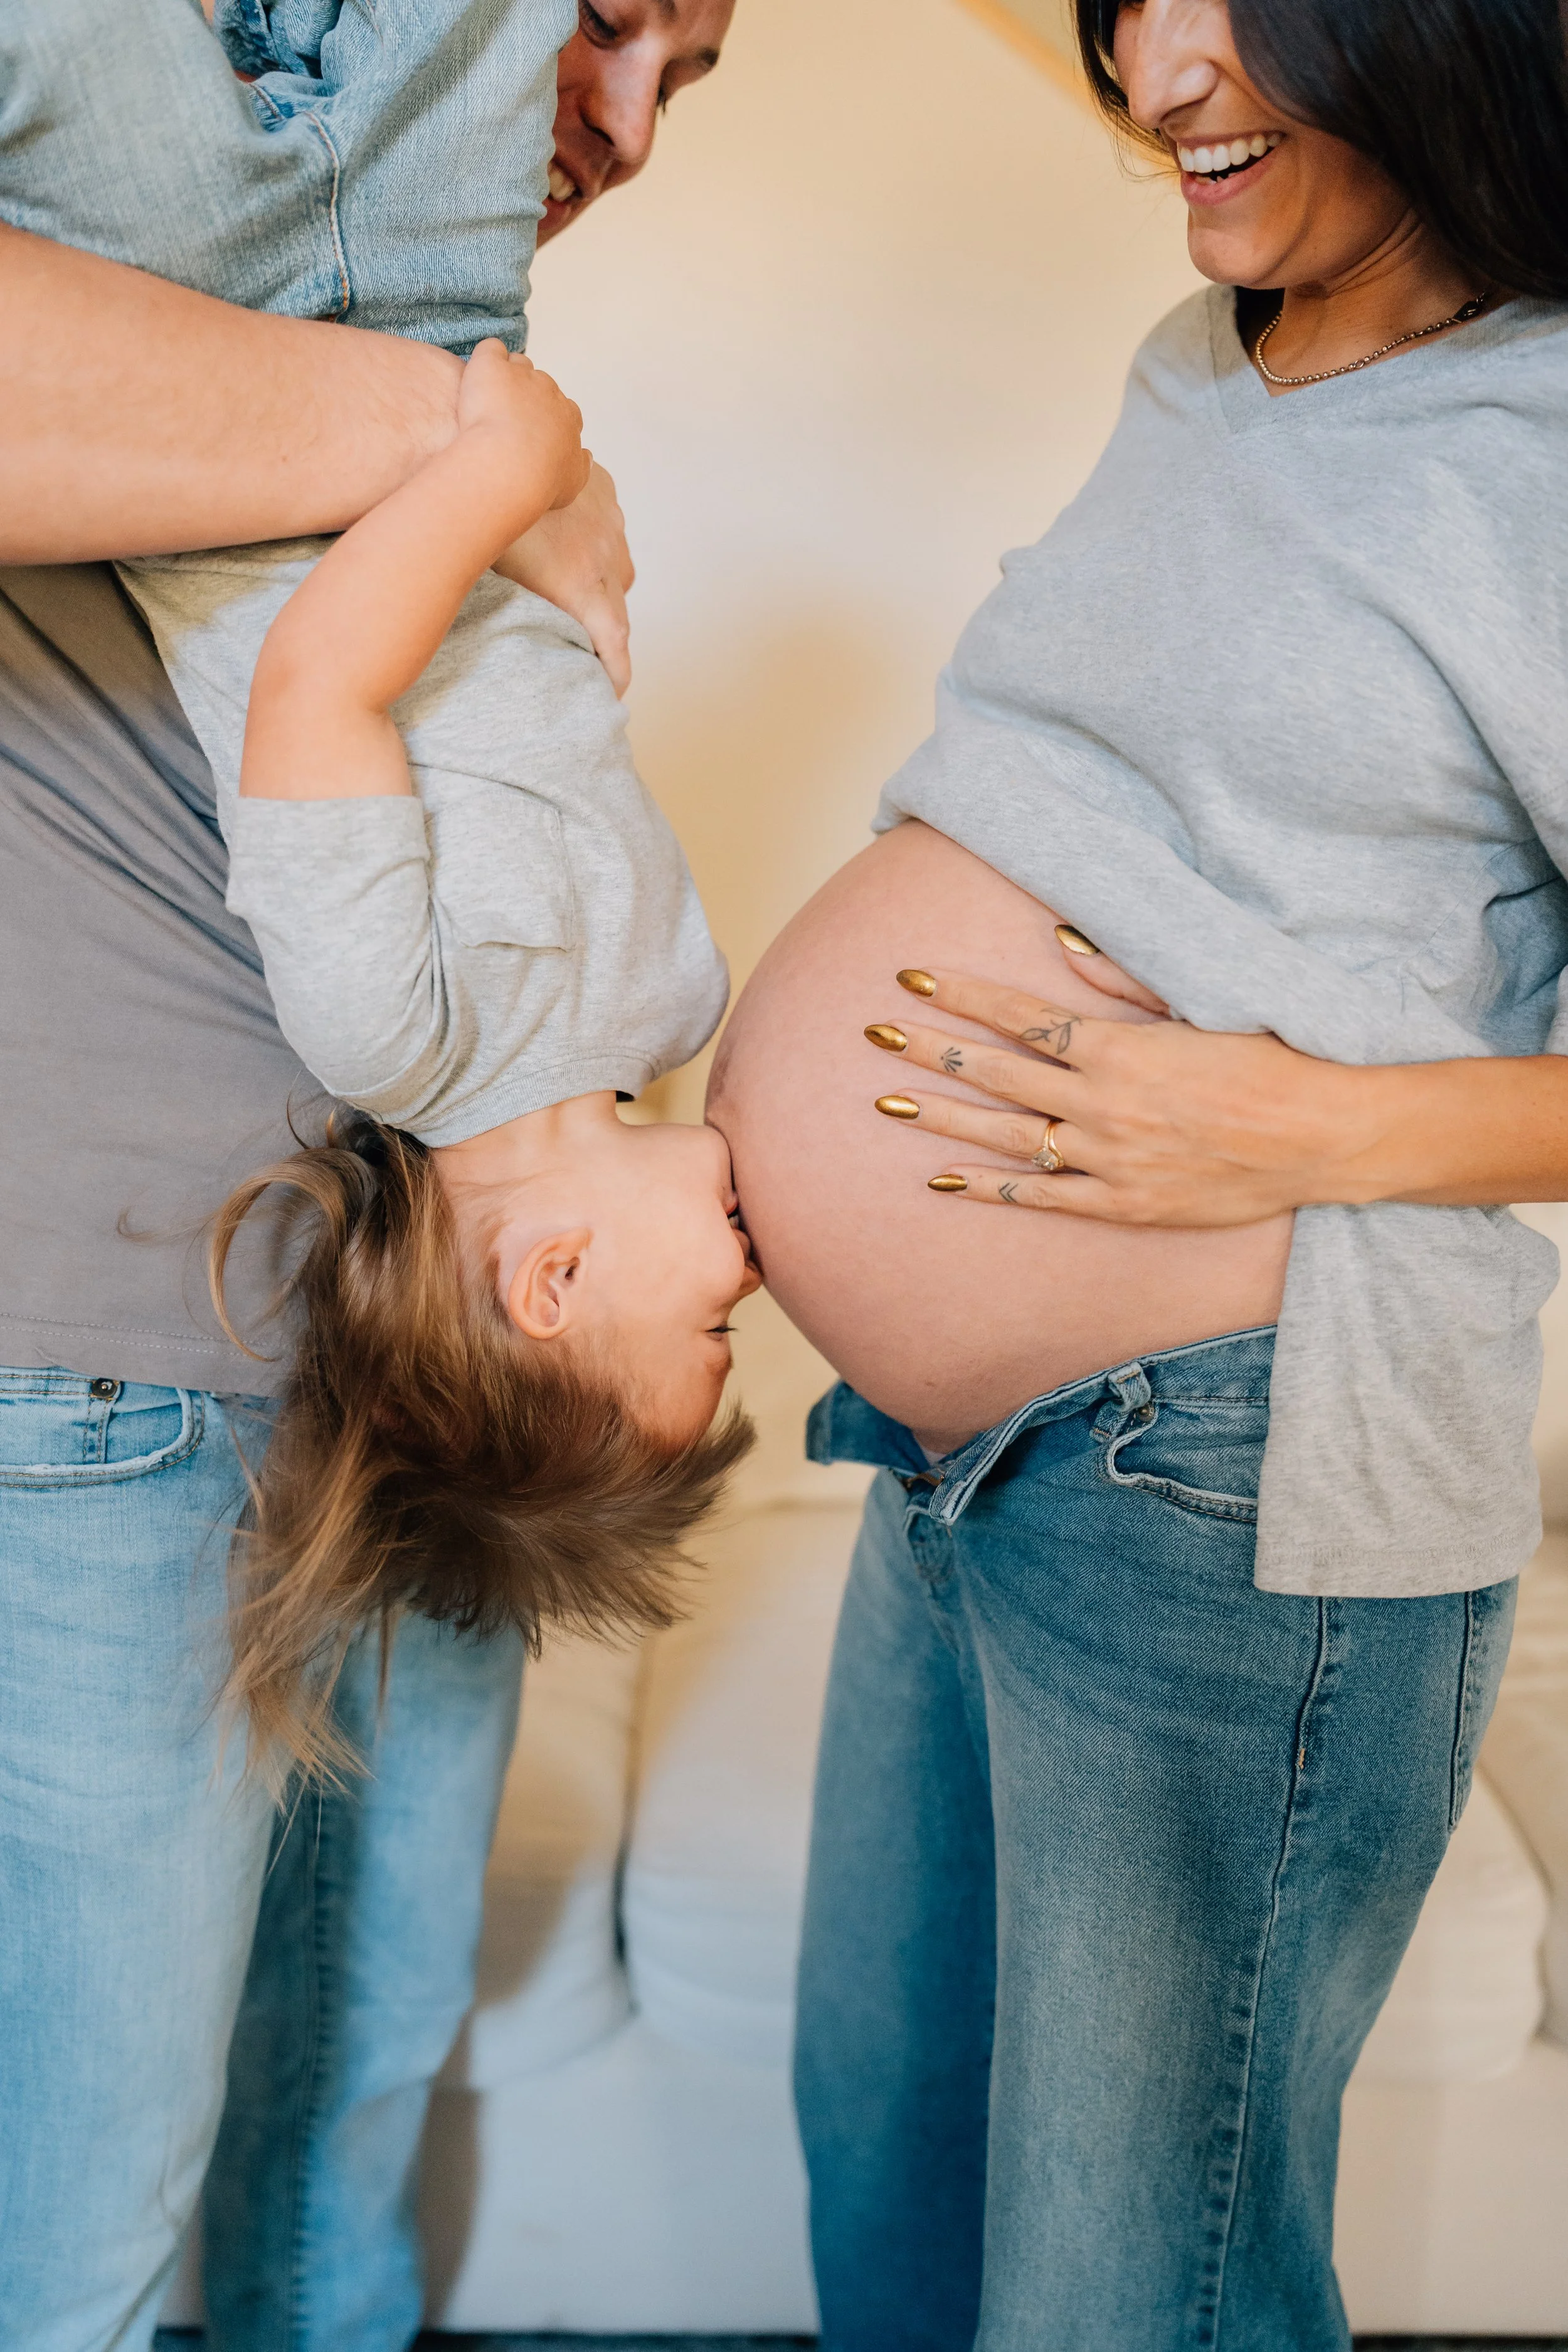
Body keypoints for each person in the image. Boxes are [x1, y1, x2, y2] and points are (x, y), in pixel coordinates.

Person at [706, 0, 1568, 2342]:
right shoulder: (1214, 350)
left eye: (1227, 11)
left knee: (1125, 2294)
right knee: (892, 2175)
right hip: (955, 1449)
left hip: (1232, 1478)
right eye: (1125, 13)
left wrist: (1314, 1123)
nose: (1153, 72)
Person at [0, 2, 734, 2346]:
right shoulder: (264, 299)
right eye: (612, 26)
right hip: (119, 1348)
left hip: (408, 1405)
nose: (619, 125)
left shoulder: (395, 314)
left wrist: (494, 473)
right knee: (107, 2188)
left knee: (352, 2076)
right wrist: (485, 460)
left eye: (683, 72)